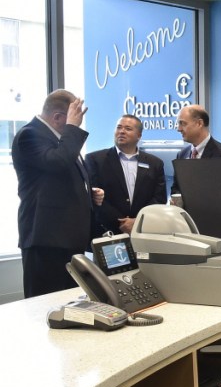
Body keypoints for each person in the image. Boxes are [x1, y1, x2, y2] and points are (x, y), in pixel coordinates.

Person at [13, 89, 105, 298]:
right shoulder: (29, 135)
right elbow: (57, 162)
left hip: (68, 240)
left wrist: (86, 192)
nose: (78, 124)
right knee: (45, 309)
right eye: (75, 119)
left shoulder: (60, 139)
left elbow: (55, 178)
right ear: (57, 117)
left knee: (71, 307)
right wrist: (73, 128)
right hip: (46, 241)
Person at [86, 114, 167, 236]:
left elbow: (159, 198)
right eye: (119, 127)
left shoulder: (155, 163)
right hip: (107, 231)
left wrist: (137, 221)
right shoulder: (95, 159)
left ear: (139, 135)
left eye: (128, 129)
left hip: (143, 232)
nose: (122, 131)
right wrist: (122, 223)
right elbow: (95, 198)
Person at [170, 104, 221, 195]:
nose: (179, 129)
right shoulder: (181, 154)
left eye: (183, 123)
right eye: (178, 124)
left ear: (199, 123)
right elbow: (176, 188)